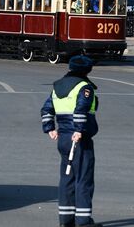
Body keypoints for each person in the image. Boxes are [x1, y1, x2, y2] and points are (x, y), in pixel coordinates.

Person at [41, 55, 101, 227]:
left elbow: (46, 109)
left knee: (67, 179)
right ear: (86, 70)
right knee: (83, 179)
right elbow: (81, 108)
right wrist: (79, 130)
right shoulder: (84, 87)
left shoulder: (57, 86)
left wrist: (50, 128)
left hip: (63, 139)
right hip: (79, 140)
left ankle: (66, 221)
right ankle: (83, 221)